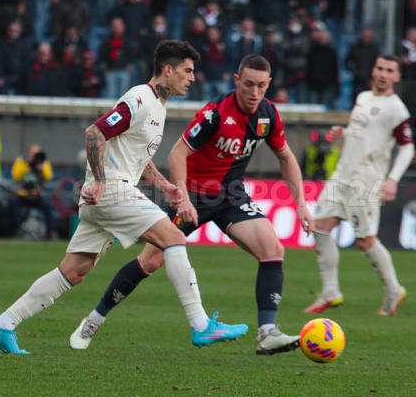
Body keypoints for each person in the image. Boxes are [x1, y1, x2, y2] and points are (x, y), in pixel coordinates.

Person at [0, 41, 248, 355]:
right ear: (168, 69)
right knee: (173, 238)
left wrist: (163, 185)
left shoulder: (157, 106)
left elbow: (134, 155)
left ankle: (3, 324)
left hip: (107, 196)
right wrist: (100, 181)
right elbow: (95, 133)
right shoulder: (139, 98)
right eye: (187, 71)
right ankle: (201, 325)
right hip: (112, 193)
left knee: (75, 271)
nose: (192, 78)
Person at [69, 54, 315, 356]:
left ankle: (267, 333)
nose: (254, 93)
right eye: (248, 84)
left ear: (269, 85)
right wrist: (182, 197)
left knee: (273, 250)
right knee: (150, 261)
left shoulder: (268, 115)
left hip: (231, 195)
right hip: (194, 194)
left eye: (261, 86)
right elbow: (177, 153)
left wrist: (301, 204)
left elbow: (287, 157)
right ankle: (94, 320)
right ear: (236, 81)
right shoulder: (214, 113)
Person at [305, 55, 414, 316]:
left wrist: (392, 179)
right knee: (319, 228)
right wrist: (342, 135)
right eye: (379, 68)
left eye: (389, 70)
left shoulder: (396, 109)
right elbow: (361, 135)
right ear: (373, 70)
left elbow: (408, 148)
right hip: (342, 173)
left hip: (365, 179)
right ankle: (330, 291)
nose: (383, 74)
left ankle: (393, 290)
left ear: (397, 77)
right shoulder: (363, 97)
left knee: (365, 241)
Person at [10, 144, 55, 240]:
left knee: (48, 206)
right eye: (33, 153)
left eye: (37, 153)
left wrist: (40, 168)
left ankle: (49, 232)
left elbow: (49, 177)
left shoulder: (43, 162)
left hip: (37, 196)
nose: (35, 156)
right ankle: (17, 227)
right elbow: (16, 176)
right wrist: (27, 164)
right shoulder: (21, 160)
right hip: (22, 195)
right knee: (12, 202)